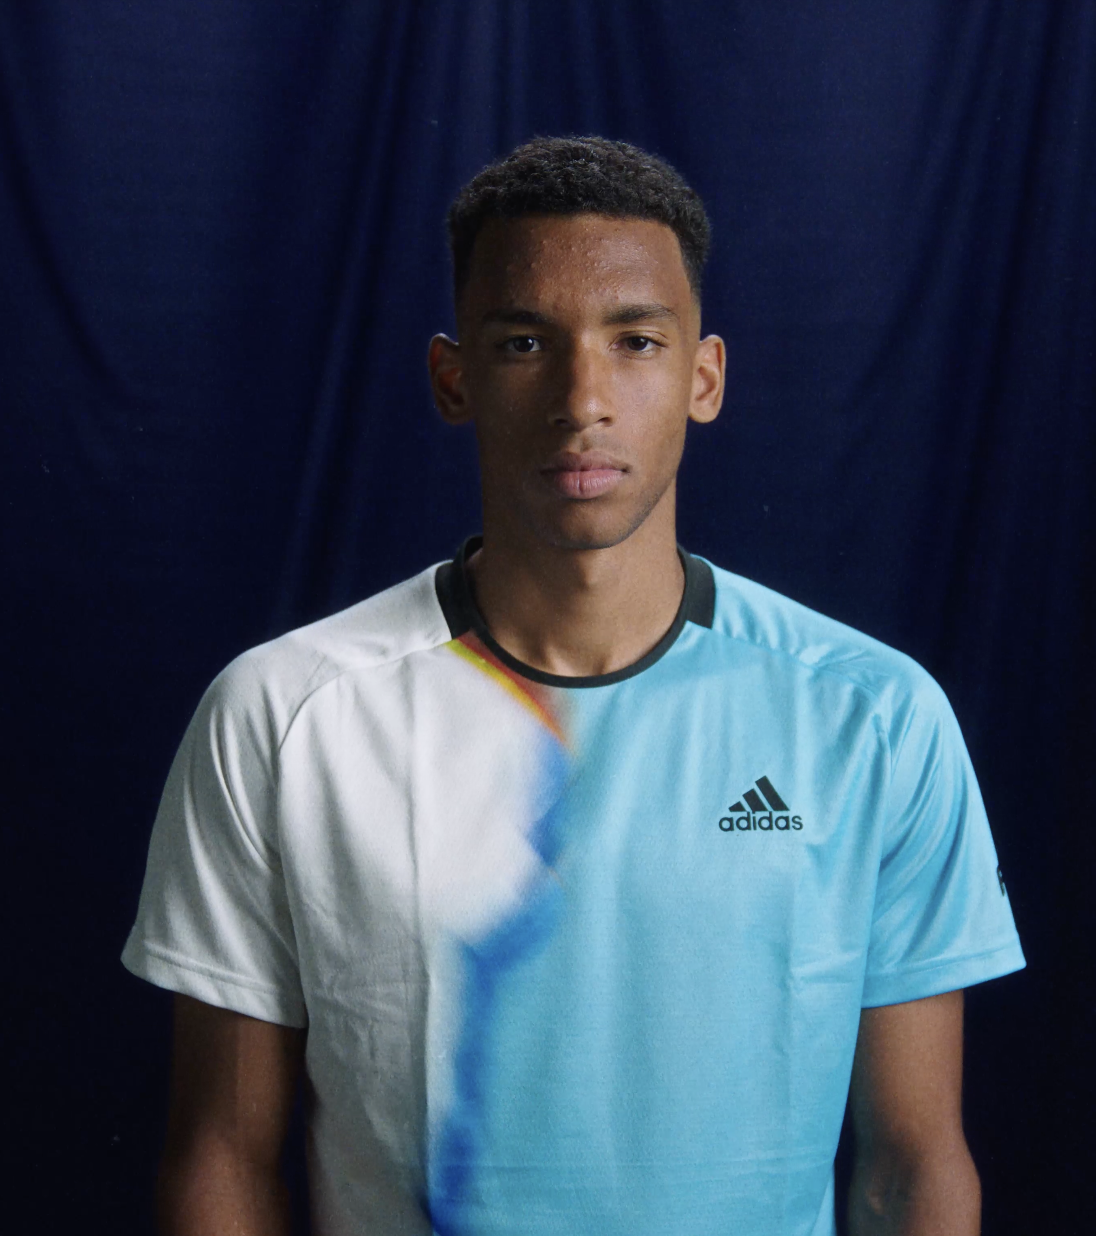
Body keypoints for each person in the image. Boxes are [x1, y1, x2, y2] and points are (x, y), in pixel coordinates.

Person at [123, 136, 1025, 1236]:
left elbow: (912, 1163)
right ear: (453, 379)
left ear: (704, 377)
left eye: (635, 340)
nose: (580, 397)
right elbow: (223, 1155)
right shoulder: (281, 713)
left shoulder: (873, 715)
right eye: (521, 343)